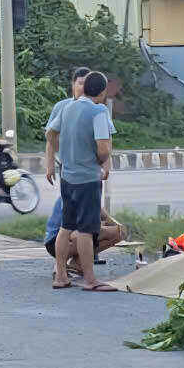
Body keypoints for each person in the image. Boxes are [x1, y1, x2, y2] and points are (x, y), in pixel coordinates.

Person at [47, 71, 116, 291]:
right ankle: (90, 280)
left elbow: (50, 133)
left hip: (67, 176)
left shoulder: (67, 107)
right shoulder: (99, 111)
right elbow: (104, 147)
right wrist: (100, 160)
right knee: (86, 230)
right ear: (103, 92)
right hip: (87, 178)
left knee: (66, 227)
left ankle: (61, 276)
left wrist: (62, 152)